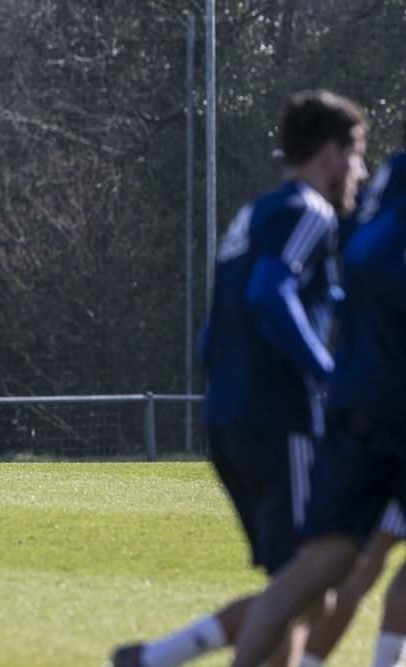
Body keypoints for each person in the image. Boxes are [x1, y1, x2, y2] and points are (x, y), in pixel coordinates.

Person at [111, 89, 367, 667]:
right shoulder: (311, 211)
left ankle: (156, 657)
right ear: (330, 153)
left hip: (227, 415)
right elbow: (268, 293)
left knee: (300, 588)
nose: (360, 171)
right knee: (309, 583)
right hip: (280, 418)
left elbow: (212, 332)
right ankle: (159, 658)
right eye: (356, 156)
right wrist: (327, 375)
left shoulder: (252, 214)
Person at [231, 145, 406, 667]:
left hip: (360, 404)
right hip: (386, 409)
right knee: (341, 570)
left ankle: (163, 653)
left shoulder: (378, 197)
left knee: (335, 568)